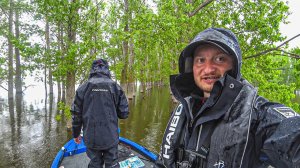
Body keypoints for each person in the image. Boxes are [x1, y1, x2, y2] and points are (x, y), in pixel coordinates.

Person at [160, 28, 300, 168]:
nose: (208, 69)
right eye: (201, 60)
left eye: (220, 59)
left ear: (234, 66)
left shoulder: (258, 115)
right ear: (192, 67)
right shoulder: (186, 108)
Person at [71, 59, 129, 168]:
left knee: (94, 163)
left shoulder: (82, 88)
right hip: (110, 137)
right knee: (112, 164)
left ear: (92, 70)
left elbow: (76, 115)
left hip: (91, 137)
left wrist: (76, 133)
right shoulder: (115, 87)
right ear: (107, 70)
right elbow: (124, 114)